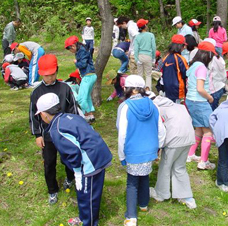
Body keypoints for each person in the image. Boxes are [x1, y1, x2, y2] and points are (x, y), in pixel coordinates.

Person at [35, 93, 113, 226]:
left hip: (91, 162)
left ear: (44, 114)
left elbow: (72, 153)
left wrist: (77, 172)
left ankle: (90, 223)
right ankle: (84, 218)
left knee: (89, 197)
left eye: (40, 114)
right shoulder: (70, 117)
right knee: (82, 193)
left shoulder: (56, 129)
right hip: (97, 154)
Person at [29, 54, 79, 205]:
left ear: (57, 71)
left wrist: (74, 130)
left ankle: (70, 178)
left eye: (52, 75)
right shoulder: (36, 93)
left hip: (64, 133)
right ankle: (52, 190)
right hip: (48, 136)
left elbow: (73, 111)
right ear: (41, 74)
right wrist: (38, 134)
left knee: (68, 159)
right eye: (46, 76)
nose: (49, 78)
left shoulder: (65, 89)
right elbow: (33, 115)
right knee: (49, 163)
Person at [116, 75, 166, 226]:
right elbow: (161, 129)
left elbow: (122, 134)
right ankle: (144, 204)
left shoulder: (125, 107)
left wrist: (121, 155)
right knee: (145, 175)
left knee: (132, 182)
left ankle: (131, 216)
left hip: (133, 150)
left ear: (129, 90)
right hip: (150, 149)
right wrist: (158, 147)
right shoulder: (153, 105)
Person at [149, 94, 197, 209]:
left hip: (174, 140)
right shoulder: (179, 106)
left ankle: (161, 194)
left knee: (165, 166)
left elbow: (158, 129)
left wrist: (157, 147)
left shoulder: (156, 108)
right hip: (189, 138)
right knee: (179, 167)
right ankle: (186, 197)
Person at [186, 41, 216, 170]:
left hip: (190, 100)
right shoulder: (202, 68)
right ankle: (204, 161)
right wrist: (209, 98)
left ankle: (190, 154)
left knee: (198, 128)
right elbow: (200, 88)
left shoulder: (192, 65)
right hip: (200, 101)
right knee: (208, 131)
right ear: (208, 54)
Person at [65, 36, 96, 123]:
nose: (70, 51)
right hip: (90, 76)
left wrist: (76, 63)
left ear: (73, 46)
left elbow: (82, 64)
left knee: (81, 98)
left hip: (88, 76)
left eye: (69, 49)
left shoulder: (81, 51)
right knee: (87, 97)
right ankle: (91, 115)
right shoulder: (81, 50)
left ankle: (86, 116)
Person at [161, 35, 189, 103]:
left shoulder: (166, 57)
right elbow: (186, 74)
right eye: (183, 46)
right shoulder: (180, 59)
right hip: (178, 90)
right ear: (180, 46)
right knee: (177, 107)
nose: (184, 48)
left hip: (167, 87)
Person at [204, 38, 226, 110]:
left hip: (212, 89)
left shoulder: (211, 59)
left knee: (210, 112)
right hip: (220, 87)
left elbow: (206, 74)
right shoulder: (219, 57)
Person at [134, 19, 156, 90]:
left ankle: (140, 90)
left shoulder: (137, 37)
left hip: (140, 56)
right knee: (148, 75)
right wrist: (153, 57)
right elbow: (153, 47)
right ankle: (148, 90)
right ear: (145, 26)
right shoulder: (151, 35)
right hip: (148, 56)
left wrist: (136, 59)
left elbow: (136, 49)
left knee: (140, 74)